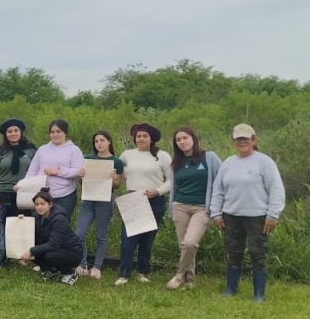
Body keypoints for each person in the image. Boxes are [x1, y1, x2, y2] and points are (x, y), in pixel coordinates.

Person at [209, 123, 285, 302]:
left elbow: (276, 189)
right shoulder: (228, 163)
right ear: (233, 141)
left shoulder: (264, 162)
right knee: (233, 252)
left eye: (246, 138)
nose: (242, 142)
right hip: (231, 216)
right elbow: (218, 190)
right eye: (238, 139)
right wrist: (216, 214)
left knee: (258, 253)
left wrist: (273, 215)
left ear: (253, 139)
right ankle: (230, 289)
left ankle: (259, 294)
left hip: (258, 217)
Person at [115, 123, 172, 286]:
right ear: (134, 138)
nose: (141, 139)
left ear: (151, 138)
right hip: (134, 199)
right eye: (138, 136)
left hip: (154, 199)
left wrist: (158, 191)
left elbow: (171, 180)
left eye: (145, 136)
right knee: (128, 238)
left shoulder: (163, 156)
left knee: (147, 238)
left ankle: (143, 271)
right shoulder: (127, 154)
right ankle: (124, 273)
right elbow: (119, 170)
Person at [166, 126, 222, 290]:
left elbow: (222, 178)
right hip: (180, 206)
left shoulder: (209, 157)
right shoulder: (176, 163)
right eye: (178, 140)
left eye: (185, 138)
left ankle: (179, 275)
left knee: (190, 243)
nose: (182, 142)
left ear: (193, 139)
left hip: (202, 207)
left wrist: (219, 207)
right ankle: (190, 280)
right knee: (183, 245)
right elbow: (174, 186)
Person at [74, 130, 123, 279]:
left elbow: (117, 185)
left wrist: (114, 178)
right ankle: (82, 265)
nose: (99, 143)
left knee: (101, 236)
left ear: (109, 142)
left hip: (105, 202)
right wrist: (81, 177)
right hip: (88, 201)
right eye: (96, 141)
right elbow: (82, 182)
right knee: (79, 234)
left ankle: (97, 267)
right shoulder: (88, 158)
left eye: (102, 140)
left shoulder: (116, 161)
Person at [21, 119, 84, 218]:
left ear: (65, 133)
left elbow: (78, 171)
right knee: (41, 227)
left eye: (58, 131)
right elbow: (32, 170)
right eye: (52, 132)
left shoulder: (74, 150)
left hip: (65, 196)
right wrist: (22, 185)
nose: (55, 134)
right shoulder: (42, 149)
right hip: (42, 195)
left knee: (60, 225)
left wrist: (58, 172)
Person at [26, 189, 84, 285]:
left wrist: (31, 251)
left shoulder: (59, 219)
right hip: (56, 249)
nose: (39, 207)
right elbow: (31, 233)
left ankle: (70, 272)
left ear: (50, 204)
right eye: (37, 204)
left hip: (72, 252)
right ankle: (51, 270)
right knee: (36, 252)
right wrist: (21, 219)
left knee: (49, 255)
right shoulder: (38, 217)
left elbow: (54, 244)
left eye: (42, 204)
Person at [0, 118, 36, 219]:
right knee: (5, 223)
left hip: (25, 191)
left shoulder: (30, 149)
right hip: (4, 192)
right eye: (9, 131)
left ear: (21, 132)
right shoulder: (1, 150)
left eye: (16, 130)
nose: (13, 134)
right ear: (5, 134)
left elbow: (36, 170)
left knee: (25, 222)